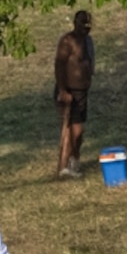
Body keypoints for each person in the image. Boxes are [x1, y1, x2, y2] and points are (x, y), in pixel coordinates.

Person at [52, 12, 95, 179]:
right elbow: (59, 65)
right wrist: (63, 90)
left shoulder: (87, 41)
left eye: (88, 26)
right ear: (75, 23)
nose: (85, 29)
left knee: (79, 132)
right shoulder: (67, 41)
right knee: (72, 131)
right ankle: (63, 167)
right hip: (68, 91)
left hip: (82, 92)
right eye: (82, 25)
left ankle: (74, 163)